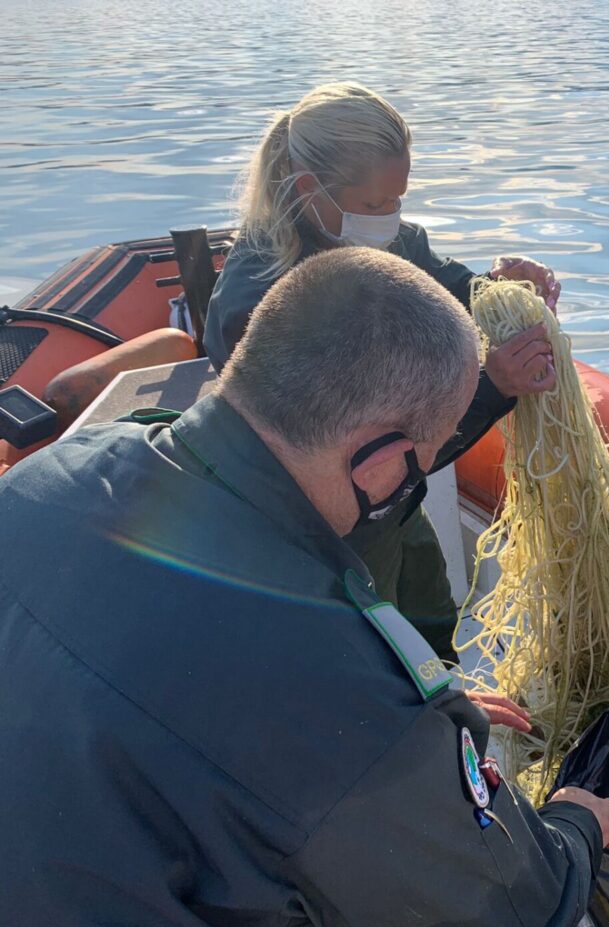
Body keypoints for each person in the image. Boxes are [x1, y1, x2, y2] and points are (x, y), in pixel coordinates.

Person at [0, 248, 609, 927]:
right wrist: (575, 824)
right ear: (377, 459)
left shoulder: (48, 476)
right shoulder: (335, 683)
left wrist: (404, 728)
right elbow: (515, 916)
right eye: (417, 468)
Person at [205, 82, 561, 657]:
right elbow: (367, 460)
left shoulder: (393, 242)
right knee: (379, 664)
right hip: (323, 538)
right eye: (375, 206)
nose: (391, 219)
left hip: (395, 516)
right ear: (308, 188)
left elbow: (455, 291)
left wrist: (500, 290)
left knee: (434, 636)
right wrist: (494, 388)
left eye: (398, 199)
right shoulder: (261, 303)